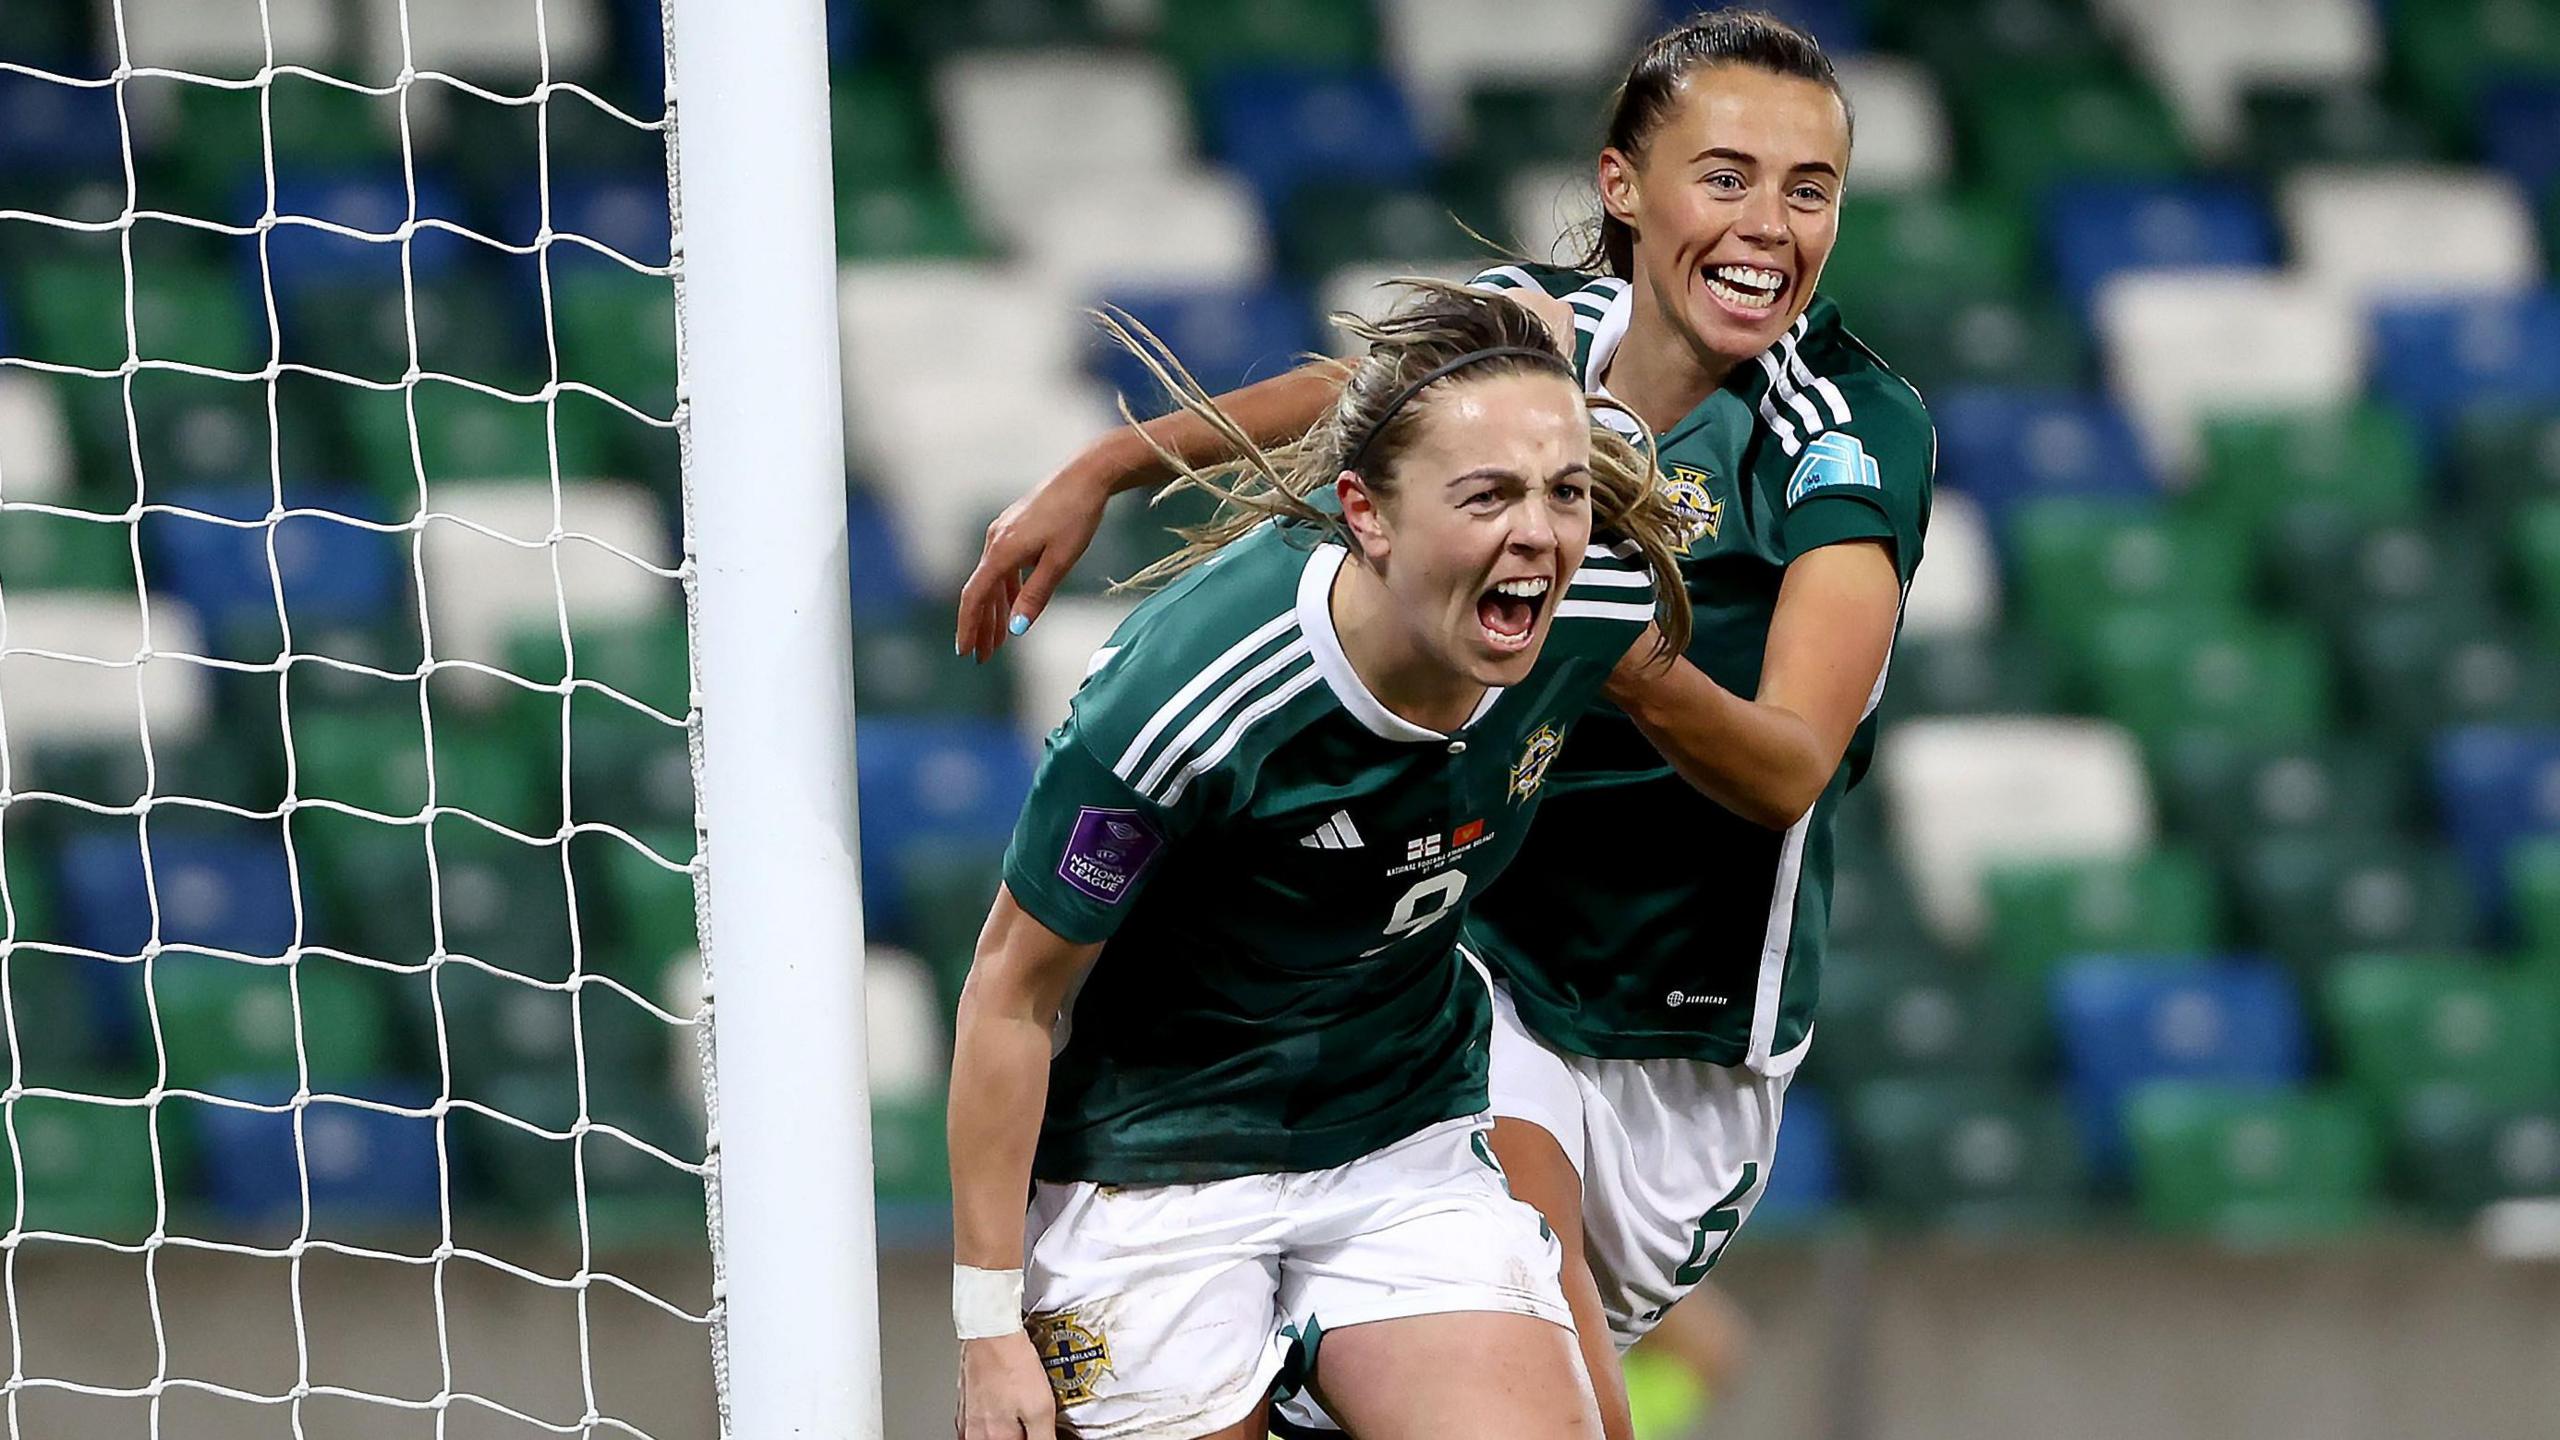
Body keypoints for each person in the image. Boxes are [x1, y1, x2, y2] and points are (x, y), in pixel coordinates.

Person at [952, 12, 1932, 1440]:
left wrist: (1616, 651)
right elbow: (1370, 406)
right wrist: (1109, 464)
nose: (1769, 224)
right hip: (1486, 967)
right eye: (1724, 177)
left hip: (1690, 1028)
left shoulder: (1840, 427)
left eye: (1810, 189)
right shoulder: (1534, 344)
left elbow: (1787, 770)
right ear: (1622, 188)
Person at [948, 280, 1699, 1440]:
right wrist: (988, 1325)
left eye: (1564, 491)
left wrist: (1108, 464)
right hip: (1154, 1163)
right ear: (1367, 514)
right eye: (1487, 495)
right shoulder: (1189, 698)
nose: (1539, 533)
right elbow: (1011, 990)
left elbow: (1437, 368)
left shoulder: (1591, 588)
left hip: (1399, 1136)